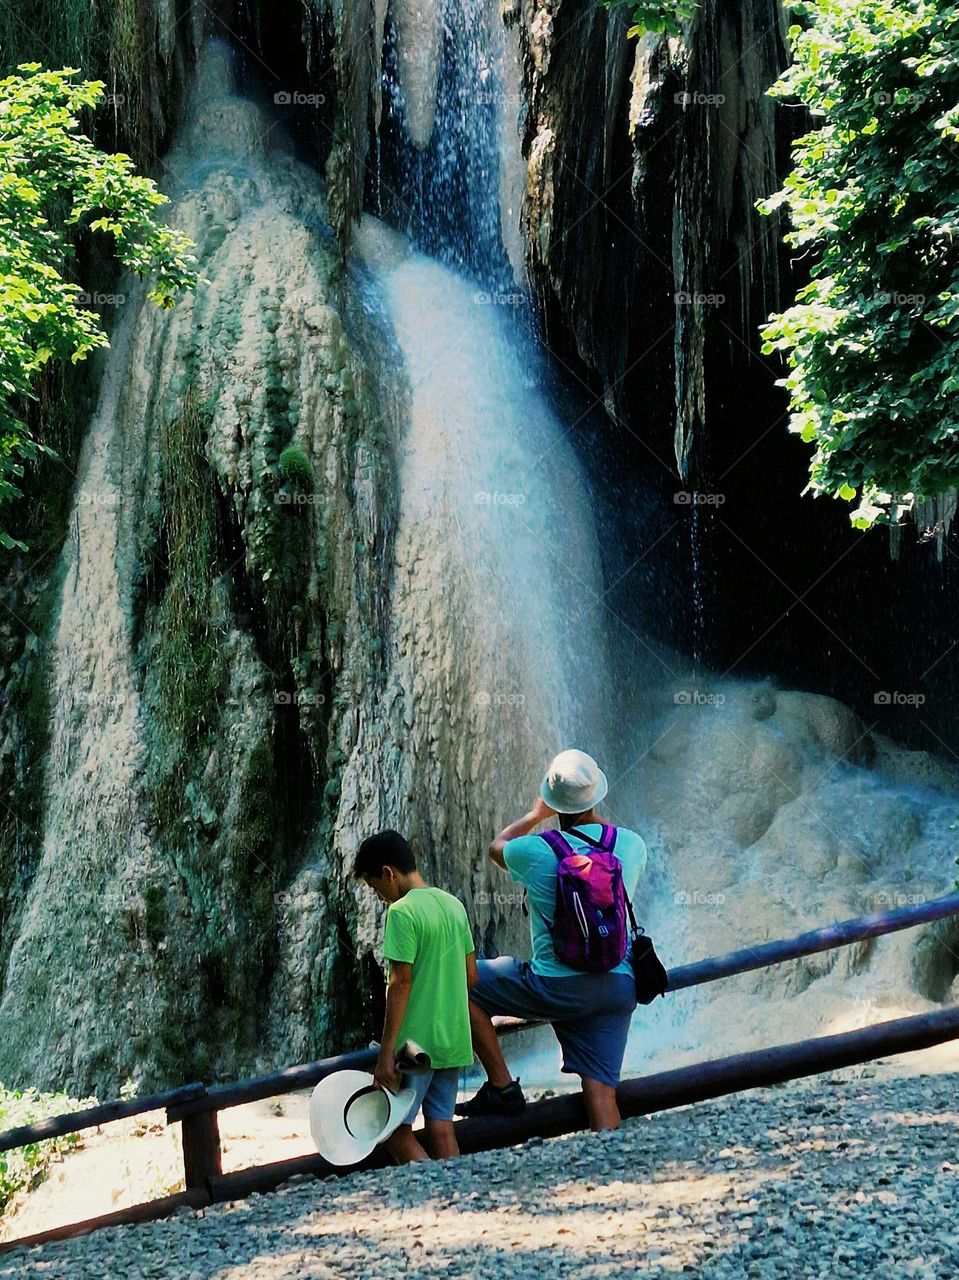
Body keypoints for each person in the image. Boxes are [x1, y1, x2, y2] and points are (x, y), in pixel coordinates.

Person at [457, 749, 647, 1132]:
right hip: (616, 987)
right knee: (601, 1091)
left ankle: (501, 1085)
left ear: (551, 799)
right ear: (597, 796)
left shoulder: (535, 850)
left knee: (463, 984)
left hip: (555, 987)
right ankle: (611, 1159)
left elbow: (496, 847)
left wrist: (535, 816)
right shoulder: (631, 845)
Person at [354, 829, 477, 1162]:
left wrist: (386, 1056)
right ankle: (458, 1190)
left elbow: (400, 984)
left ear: (388, 873)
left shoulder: (402, 912)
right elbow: (471, 976)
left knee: (393, 1129)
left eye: (374, 886)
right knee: (441, 1125)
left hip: (415, 1046)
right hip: (453, 1040)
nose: (379, 895)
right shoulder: (454, 906)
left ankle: (432, 1187)